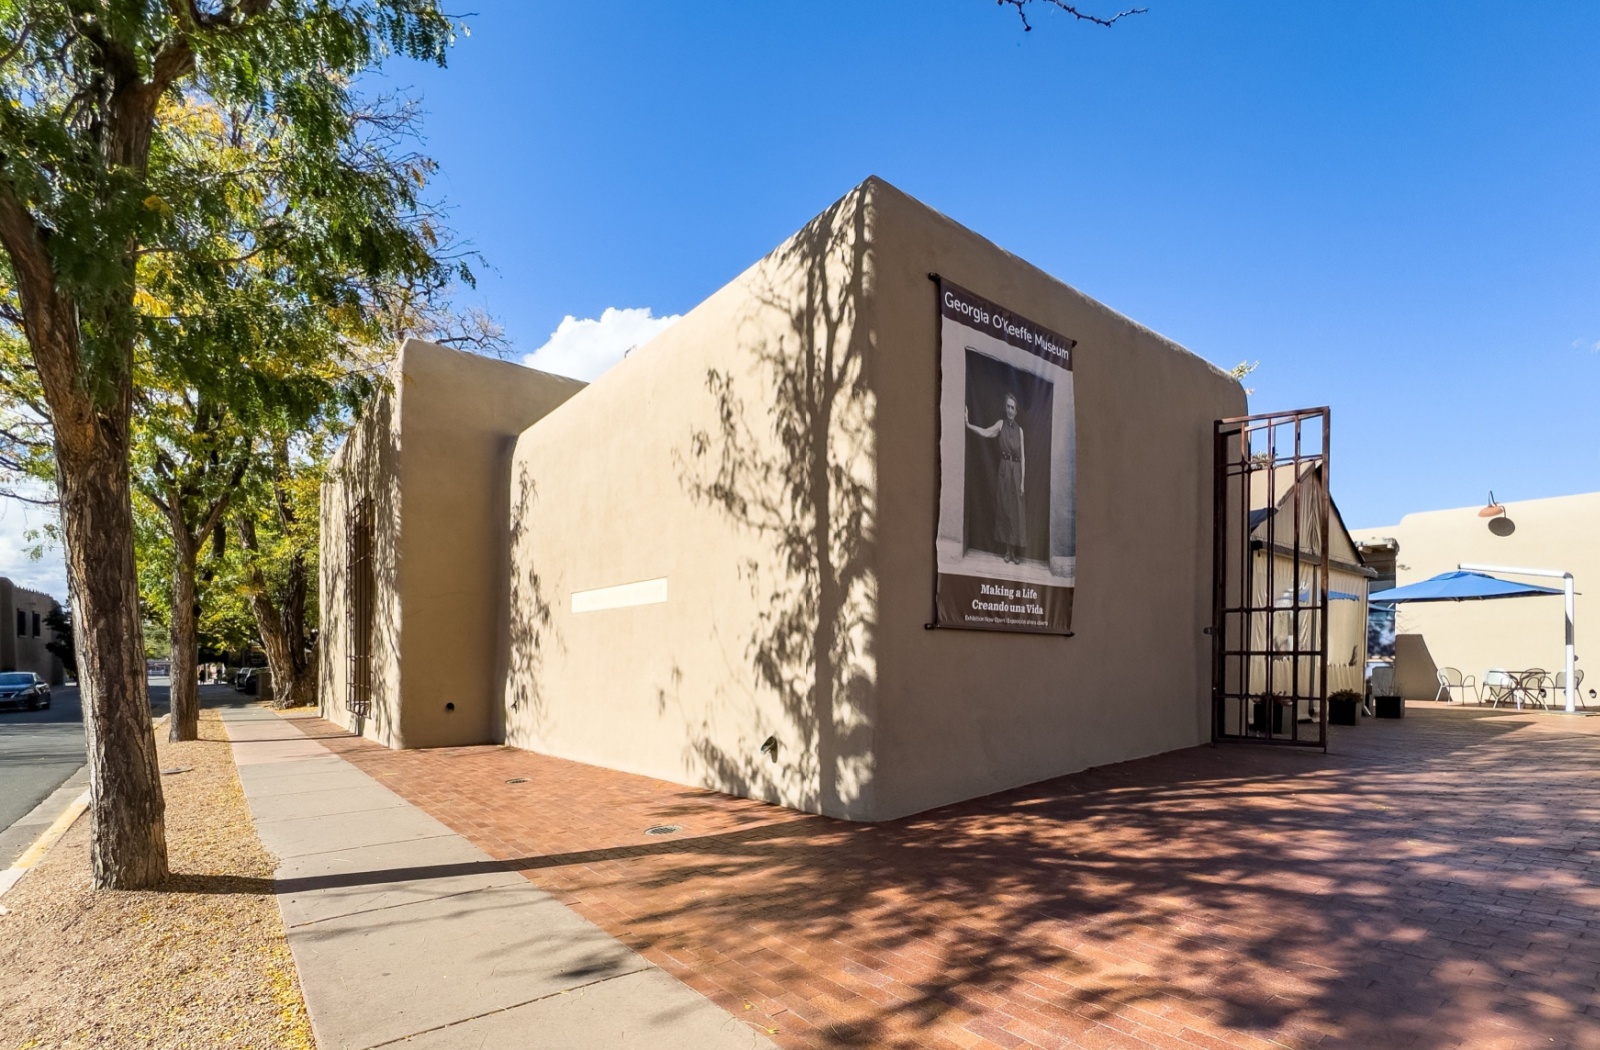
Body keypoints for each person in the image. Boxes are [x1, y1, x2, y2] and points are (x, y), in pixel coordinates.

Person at [966, 393, 1027, 563]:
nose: (1009, 410)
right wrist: (969, 424)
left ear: (1016, 411)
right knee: (1006, 509)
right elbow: (986, 433)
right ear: (1005, 408)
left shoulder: (1020, 431)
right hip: (1004, 471)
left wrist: (1022, 482)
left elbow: (1023, 457)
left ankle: (1014, 552)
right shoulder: (1000, 425)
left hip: (1016, 471)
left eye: (1012, 408)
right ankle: (1007, 551)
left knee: (1016, 512)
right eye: (1007, 407)